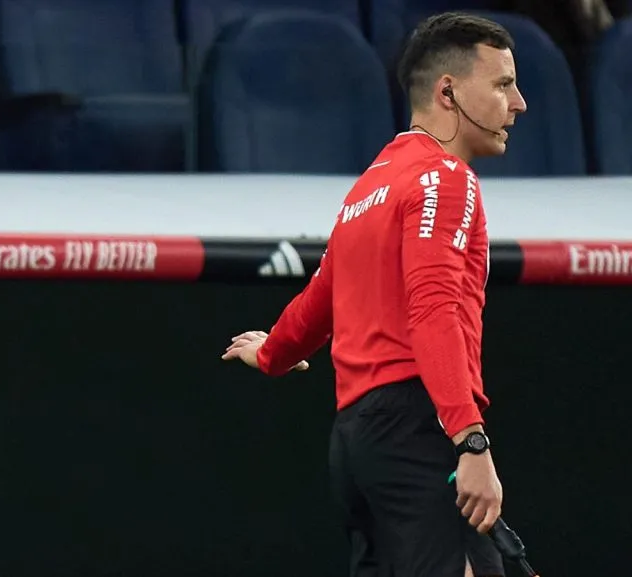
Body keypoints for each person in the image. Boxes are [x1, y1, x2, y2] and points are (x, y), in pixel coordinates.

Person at [221, 12, 527, 577]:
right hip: (418, 429)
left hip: (357, 447)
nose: (520, 104)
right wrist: (471, 442)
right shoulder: (445, 178)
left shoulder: (369, 186)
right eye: (504, 84)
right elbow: (432, 310)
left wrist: (269, 353)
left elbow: (319, 302)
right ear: (449, 92)